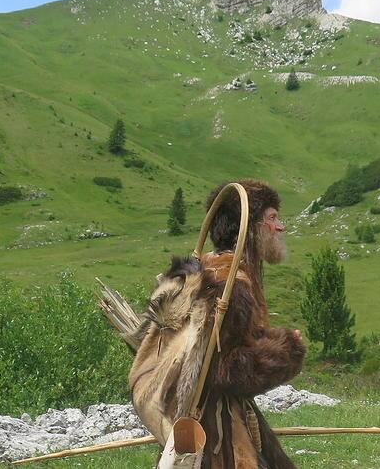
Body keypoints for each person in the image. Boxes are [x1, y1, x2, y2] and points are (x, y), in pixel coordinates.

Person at [129, 179, 306, 468]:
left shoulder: (206, 268)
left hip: (196, 412)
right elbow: (227, 370)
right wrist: (288, 349)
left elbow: (224, 341)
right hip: (216, 425)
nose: (280, 227)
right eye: (272, 218)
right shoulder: (231, 285)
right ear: (251, 228)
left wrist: (266, 337)